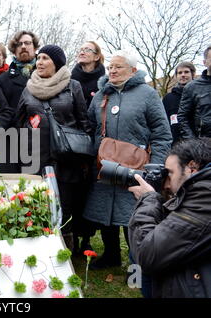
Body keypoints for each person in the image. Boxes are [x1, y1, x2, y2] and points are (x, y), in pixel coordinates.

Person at [83, 50, 172, 269]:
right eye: (110, 67)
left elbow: (162, 134)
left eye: (118, 67)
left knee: (135, 214)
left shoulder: (148, 94)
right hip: (105, 163)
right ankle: (111, 255)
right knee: (105, 211)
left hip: (137, 167)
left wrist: (155, 167)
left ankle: (138, 262)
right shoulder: (101, 95)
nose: (112, 71)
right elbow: (90, 126)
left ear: (132, 70)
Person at [17, 45, 93, 251]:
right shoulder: (28, 88)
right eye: (38, 58)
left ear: (57, 63)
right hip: (37, 157)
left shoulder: (72, 86)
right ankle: (44, 250)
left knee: (66, 206)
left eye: (45, 58)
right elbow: (20, 122)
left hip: (67, 158)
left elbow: (84, 121)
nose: (39, 62)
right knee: (39, 204)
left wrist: (88, 158)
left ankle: (67, 251)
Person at [128, 137, 211, 298]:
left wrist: (149, 199)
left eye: (170, 173)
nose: (166, 184)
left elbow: (147, 254)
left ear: (191, 168)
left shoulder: (206, 196)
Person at [70, 41, 106, 253]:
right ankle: (73, 234)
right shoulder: (70, 77)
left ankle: (88, 236)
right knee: (76, 191)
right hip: (74, 140)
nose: (82, 51)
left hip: (97, 141)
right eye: (80, 49)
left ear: (97, 56)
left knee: (91, 191)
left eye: (87, 50)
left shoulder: (104, 81)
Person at [0, 31, 40, 112]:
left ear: (35, 47)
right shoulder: (2, 80)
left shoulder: (47, 72)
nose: (23, 46)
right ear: (14, 50)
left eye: (27, 43)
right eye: (19, 44)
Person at [177, 46, 211, 139]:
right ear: (204, 62)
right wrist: (193, 142)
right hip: (204, 145)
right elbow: (182, 117)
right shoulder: (192, 87)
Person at [162, 62, 196, 144]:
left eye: (186, 72)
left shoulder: (200, 94)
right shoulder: (168, 98)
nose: (183, 75)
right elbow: (163, 123)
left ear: (193, 74)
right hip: (175, 146)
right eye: (180, 73)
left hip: (200, 145)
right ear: (176, 76)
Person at [71, 41, 106, 108]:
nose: (81, 53)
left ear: (96, 57)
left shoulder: (105, 84)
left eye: (87, 50)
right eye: (81, 50)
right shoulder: (69, 81)